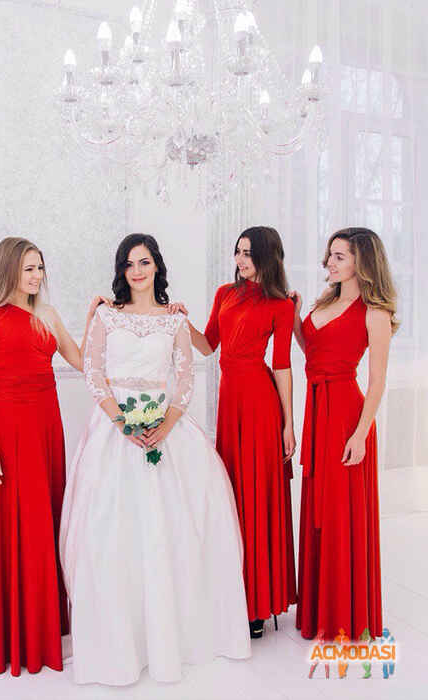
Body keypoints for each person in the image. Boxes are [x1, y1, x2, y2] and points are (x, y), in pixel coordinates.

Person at [59, 233, 251, 686]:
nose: (137, 271)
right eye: (129, 264)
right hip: (115, 432)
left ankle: (174, 639)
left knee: (175, 531)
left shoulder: (175, 319)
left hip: (168, 428)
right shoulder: (106, 316)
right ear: (121, 271)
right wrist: (122, 423)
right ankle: (120, 645)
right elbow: (93, 372)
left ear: (157, 267)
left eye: (144, 262)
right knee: (114, 534)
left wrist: (165, 425)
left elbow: (186, 378)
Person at [0, 236, 98, 676]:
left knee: (48, 520)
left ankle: (46, 628)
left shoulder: (48, 315)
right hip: (8, 433)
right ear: (8, 270)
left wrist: (91, 320)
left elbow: (82, 361)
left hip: (46, 430)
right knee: (16, 524)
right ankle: (15, 633)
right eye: (28, 268)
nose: (37, 276)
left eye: (40, 267)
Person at [169, 226, 297, 638]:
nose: (240, 260)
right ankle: (231, 594)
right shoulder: (225, 293)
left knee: (255, 495)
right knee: (231, 494)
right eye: (238, 252)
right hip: (230, 404)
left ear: (267, 257)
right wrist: (181, 321)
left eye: (248, 253)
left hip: (260, 405)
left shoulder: (281, 305)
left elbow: (282, 366)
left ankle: (257, 604)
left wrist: (289, 423)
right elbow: (208, 345)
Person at [290, 227, 397, 641]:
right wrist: (296, 318)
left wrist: (360, 434)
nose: (329, 263)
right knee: (318, 511)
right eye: (330, 255)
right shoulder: (325, 302)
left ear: (361, 262)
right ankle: (320, 610)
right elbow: (313, 352)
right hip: (317, 411)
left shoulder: (375, 312)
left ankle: (343, 615)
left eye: (339, 256)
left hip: (346, 417)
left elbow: (377, 382)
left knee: (338, 513)